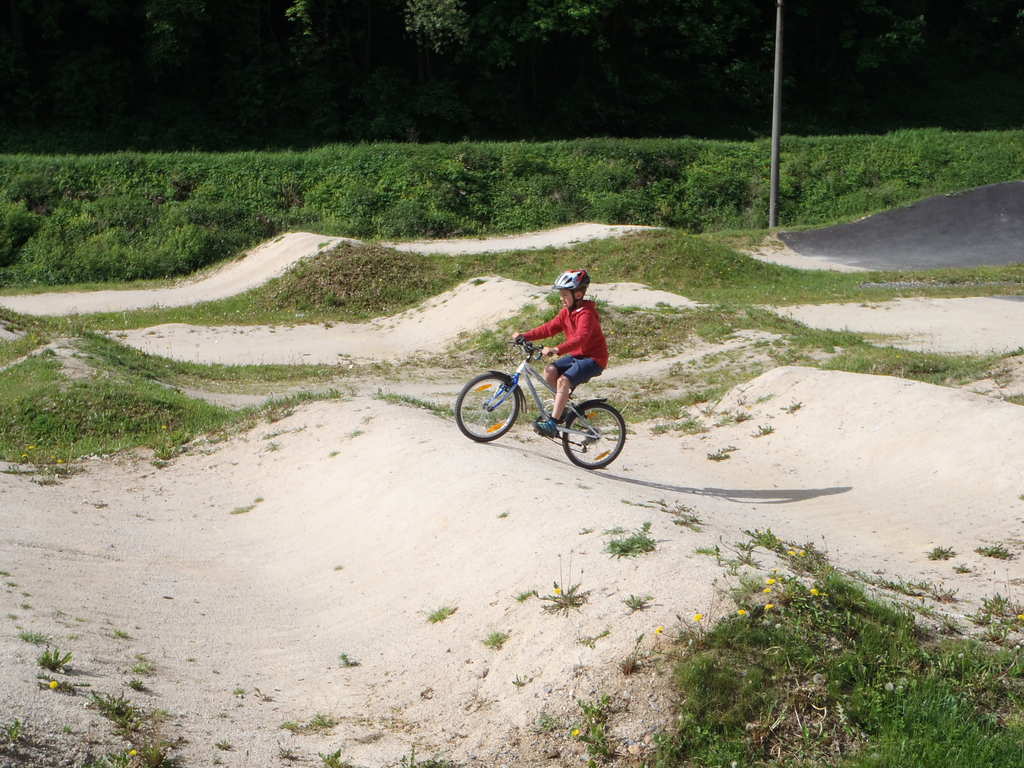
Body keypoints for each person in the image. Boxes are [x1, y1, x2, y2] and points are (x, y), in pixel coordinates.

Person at [511, 269, 608, 437]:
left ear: (577, 295)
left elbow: (581, 338)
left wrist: (557, 349)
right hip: (577, 356)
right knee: (550, 371)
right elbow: (549, 328)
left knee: (563, 381)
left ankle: (553, 424)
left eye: (564, 295)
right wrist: (524, 336)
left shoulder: (587, 314)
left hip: (594, 359)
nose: (562, 299)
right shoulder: (566, 313)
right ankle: (561, 412)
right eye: (561, 295)